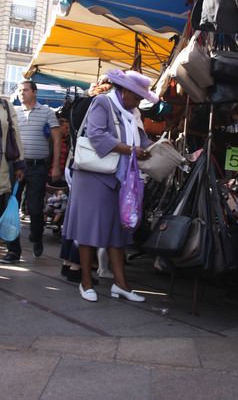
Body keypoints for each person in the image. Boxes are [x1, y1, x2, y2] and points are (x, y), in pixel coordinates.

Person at [62, 69, 157, 302]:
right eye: (137, 97)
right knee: (87, 230)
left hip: (117, 177)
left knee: (118, 231)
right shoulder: (102, 103)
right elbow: (96, 135)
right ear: (125, 91)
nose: (139, 102)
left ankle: (121, 284)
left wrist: (160, 149)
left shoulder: (129, 111)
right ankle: (85, 282)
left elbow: (142, 140)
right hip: (93, 176)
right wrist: (130, 150)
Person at [1, 81, 61, 263]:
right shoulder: (14, 111)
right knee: (12, 207)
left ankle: (36, 236)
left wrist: (56, 165)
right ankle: (14, 250)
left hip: (38, 167)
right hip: (15, 166)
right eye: (19, 90)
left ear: (34, 92)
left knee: (35, 209)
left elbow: (57, 139)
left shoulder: (47, 112)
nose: (21, 93)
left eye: (25, 90)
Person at [0, 97, 25, 236]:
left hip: (2, 167)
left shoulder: (5, 106)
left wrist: (19, 164)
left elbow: (15, 135)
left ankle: (13, 249)